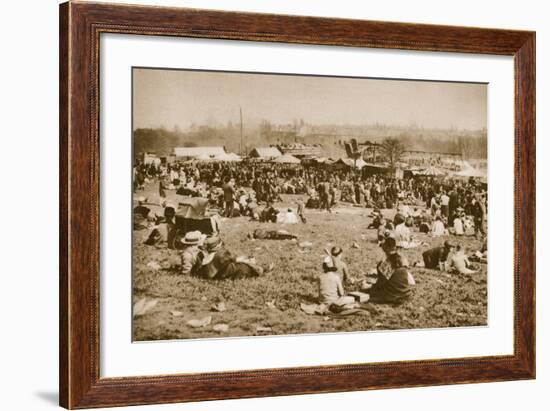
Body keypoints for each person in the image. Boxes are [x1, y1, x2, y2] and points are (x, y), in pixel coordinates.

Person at [193, 236, 271, 280]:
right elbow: (234, 260)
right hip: (220, 276)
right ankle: (262, 270)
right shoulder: (220, 255)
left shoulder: (207, 255)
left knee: (242, 262)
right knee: (244, 266)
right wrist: (246, 260)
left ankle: (261, 268)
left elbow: (231, 259)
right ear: (217, 246)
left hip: (217, 273)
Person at [367, 237, 413, 304]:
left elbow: (381, 283)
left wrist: (371, 287)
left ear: (385, 248)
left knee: (370, 294)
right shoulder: (402, 258)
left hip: (394, 295)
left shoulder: (386, 263)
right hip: (405, 293)